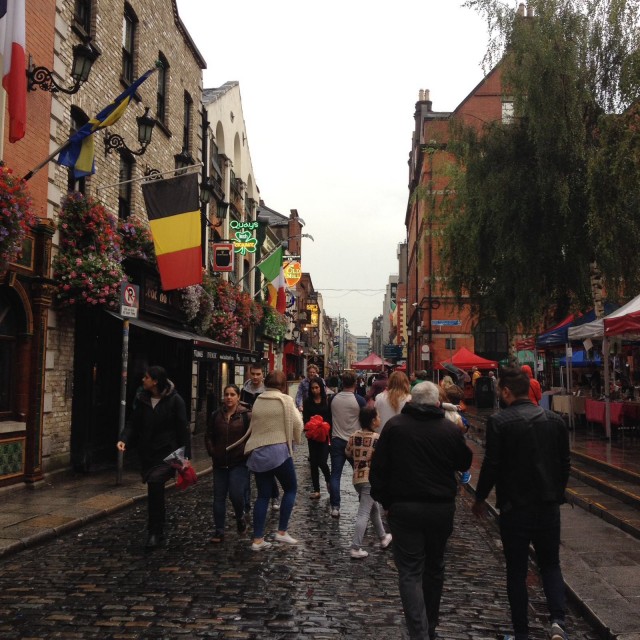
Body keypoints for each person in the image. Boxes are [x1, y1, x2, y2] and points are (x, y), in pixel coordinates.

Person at [472, 367, 570, 640]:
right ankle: (558, 622)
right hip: (548, 506)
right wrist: (556, 492)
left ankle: (521, 632)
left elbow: (492, 464)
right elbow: (565, 463)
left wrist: (480, 498)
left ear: (506, 391)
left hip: (515, 507)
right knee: (550, 564)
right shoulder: (555, 420)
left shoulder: (499, 422)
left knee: (516, 571)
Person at [370, 381, 472, 640]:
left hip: (404, 507)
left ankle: (420, 632)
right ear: (437, 402)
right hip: (440, 508)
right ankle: (430, 626)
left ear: (412, 401)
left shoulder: (395, 427)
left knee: (410, 571)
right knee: (434, 567)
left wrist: (387, 502)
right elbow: (464, 461)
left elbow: (378, 469)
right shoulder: (449, 429)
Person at [228, 370, 303, 551]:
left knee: (263, 495)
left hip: (259, 453)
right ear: (283, 385)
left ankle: (257, 539)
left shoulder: (259, 400)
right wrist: (295, 439)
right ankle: (282, 531)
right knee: (291, 488)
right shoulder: (286, 400)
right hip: (279, 452)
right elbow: (298, 424)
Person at [117, 366, 190, 550]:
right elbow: (133, 422)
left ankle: (154, 532)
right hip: (148, 453)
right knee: (155, 491)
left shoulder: (175, 400)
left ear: (155, 381)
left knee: (155, 484)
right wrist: (124, 439)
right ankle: (158, 527)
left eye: (147, 377)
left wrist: (185, 458)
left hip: (168, 453)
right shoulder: (143, 399)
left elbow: (183, 429)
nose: (143, 380)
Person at [204, 384, 251, 543]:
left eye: (232, 394)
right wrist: (212, 450)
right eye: (226, 394)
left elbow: (252, 437)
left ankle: (239, 516)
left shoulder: (246, 415)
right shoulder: (216, 415)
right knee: (219, 497)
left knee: (236, 495)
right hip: (219, 463)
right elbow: (209, 435)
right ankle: (219, 530)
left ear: (238, 397)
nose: (229, 397)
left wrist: (246, 452)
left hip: (238, 463)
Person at [345, 406, 392, 559]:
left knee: (373, 508)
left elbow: (348, 452)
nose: (379, 419)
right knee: (364, 512)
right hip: (370, 479)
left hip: (357, 479)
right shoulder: (377, 438)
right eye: (378, 416)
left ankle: (383, 537)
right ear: (373, 420)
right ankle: (355, 547)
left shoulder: (353, 436)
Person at [328, 370, 366, 518]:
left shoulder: (333, 399)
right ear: (355, 383)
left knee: (335, 474)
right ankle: (363, 500)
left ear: (342, 383)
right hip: (354, 441)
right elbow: (364, 419)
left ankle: (335, 507)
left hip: (337, 439)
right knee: (360, 473)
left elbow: (329, 417)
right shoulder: (359, 400)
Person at [302, 376, 332, 500]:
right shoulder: (307, 402)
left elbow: (330, 417)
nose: (314, 390)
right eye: (312, 388)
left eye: (316, 387)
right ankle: (316, 490)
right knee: (314, 463)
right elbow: (305, 418)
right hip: (313, 436)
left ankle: (328, 480)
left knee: (322, 461)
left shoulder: (327, 401)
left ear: (321, 388)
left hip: (325, 435)